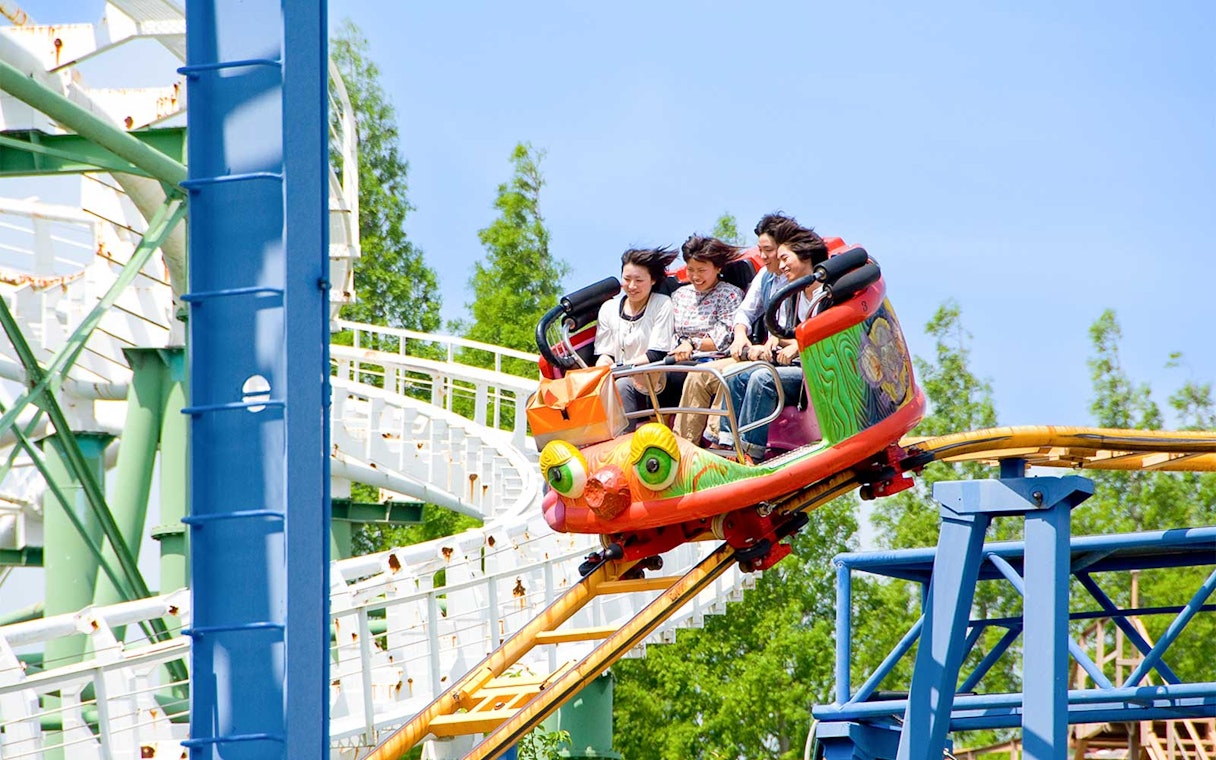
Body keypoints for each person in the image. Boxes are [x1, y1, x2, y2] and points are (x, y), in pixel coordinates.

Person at [673, 213, 795, 444]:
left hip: (784, 356)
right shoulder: (765, 277)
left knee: (727, 374)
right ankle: (683, 445)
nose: (763, 256)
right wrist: (740, 336)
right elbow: (746, 312)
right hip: (760, 352)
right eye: (761, 249)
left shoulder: (803, 278)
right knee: (699, 376)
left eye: (768, 250)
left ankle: (722, 443)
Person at [728, 225, 829, 462]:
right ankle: (728, 447)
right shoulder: (795, 294)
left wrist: (798, 346)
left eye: (785, 259)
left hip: (815, 373)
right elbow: (786, 332)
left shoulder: (826, 294)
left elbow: (828, 333)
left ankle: (750, 453)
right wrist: (782, 342)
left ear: (805, 256)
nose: (781, 266)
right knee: (738, 375)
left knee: (763, 379)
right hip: (795, 366)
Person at [594, 247, 679, 430]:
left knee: (622, 385)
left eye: (639, 280)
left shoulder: (662, 304)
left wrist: (619, 369)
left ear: (653, 280)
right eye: (627, 279)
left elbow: (656, 354)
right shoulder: (608, 308)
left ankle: (623, 441)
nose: (632, 286)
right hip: (616, 375)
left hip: (653, 378)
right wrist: (599, 373)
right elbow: (605, 353)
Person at [664, 235, 744, 410]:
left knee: (676, 377)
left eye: (701, 270)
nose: (695, 276)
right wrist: (681, 345)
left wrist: (692, 344)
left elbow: (722, 339)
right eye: (690, 269)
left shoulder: (729, 294)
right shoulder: (679, 295)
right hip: (677, 357)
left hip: (711, 359)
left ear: (717, 268)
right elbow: (671, 332)